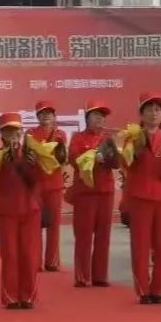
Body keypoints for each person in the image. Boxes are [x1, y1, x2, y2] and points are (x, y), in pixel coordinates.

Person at [122, 92, 161, 305]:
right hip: (140, 197)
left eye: (157, 110)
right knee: (140, 245)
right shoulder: (132, 137)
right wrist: (134, 150)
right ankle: (143, 289)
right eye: (149, 109)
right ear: (141, 114)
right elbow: (125, 165)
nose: (154, 113)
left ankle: (158, 289)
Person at [0, 113, 42, 309]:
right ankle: (11, 296)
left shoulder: (31, 153)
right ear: (2, 134)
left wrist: (31, 165)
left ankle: (28, 296)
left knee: (29, 254)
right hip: (5, 211)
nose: (13, 136)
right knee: (10, 254)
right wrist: (4, 162)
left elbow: (38, 180)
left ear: (21, 133)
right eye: (8, 132)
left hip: (29, 210)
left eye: (16, 131)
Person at [67, 100, 116, 288]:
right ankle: (82, 275)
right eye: (96, 115)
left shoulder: (108, 139)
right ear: (87, 118)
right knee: (84, 235)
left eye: (102, 116)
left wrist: (110, 157)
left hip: (105, 191)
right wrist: (94, 157)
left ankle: (100, 276)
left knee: (104, 235)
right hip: (85, 192)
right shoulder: (78, 138)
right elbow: (74, 159)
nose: (100, 119)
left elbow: (116, 162)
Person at [26, 101, 68, 272]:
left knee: (54, 224)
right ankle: (35, 261)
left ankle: (52, 261)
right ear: (37, 116)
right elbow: (28, 156)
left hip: (55, 184)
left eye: (49, 113)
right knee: (35, 224)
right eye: (42, 113)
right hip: (36, 185)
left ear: (54, 116)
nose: (46, 116)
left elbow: (62, 158)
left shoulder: (60, 134)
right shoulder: (30, 133)